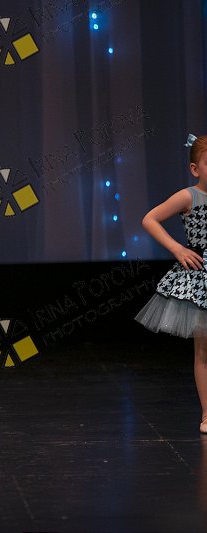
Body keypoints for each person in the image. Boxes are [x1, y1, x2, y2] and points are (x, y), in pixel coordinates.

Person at [136, 133, 207, 433]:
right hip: (201, 276)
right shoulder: (189, 197)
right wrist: (177, 249)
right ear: (195, 169)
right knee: (203, 350)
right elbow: (150, 219)